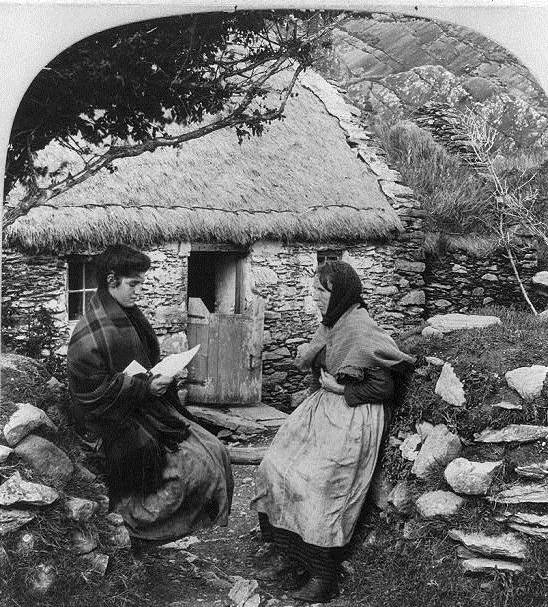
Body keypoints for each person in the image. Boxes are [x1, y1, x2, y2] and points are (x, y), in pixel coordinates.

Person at [252, 260, 415, 603]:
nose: (314, 297)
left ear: (339, 294)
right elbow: (325, 360)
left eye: (320, 291)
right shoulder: (333, 324)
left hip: (354, 416)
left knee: (320, 486)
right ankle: (289, 555)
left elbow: (384, 388)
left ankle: (322, 576)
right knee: (274, 467)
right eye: (313, 289)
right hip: (324, 410)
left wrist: (342, 391)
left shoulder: (360, 330)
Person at [67, 244, 233, 545]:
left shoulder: (127, 315)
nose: (139, 291)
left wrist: (159, 377)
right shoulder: (88, 333)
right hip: (111, 420)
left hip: (141, 406)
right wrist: (145, 387)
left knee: (215, 448)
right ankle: (135, 528)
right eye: (133, 284)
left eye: (141, 283)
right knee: (194, 468)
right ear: (110, 281)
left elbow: (139, 364)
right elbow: (91, 394)